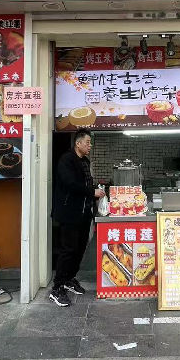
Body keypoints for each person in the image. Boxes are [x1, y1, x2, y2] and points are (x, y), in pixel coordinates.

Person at [50, 128, 105, 307]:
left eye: (90, 143)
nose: (90, 146)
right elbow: (71, 184)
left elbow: (85, 184)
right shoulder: (66, 160)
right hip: (69, 213)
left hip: (84, 214)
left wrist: (95, 192)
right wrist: (92, 192)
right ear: (78, 143)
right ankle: (57, 288)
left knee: (80, 249)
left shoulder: (84, 161)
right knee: (68, 250)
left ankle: (69, 279)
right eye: (87, 142)